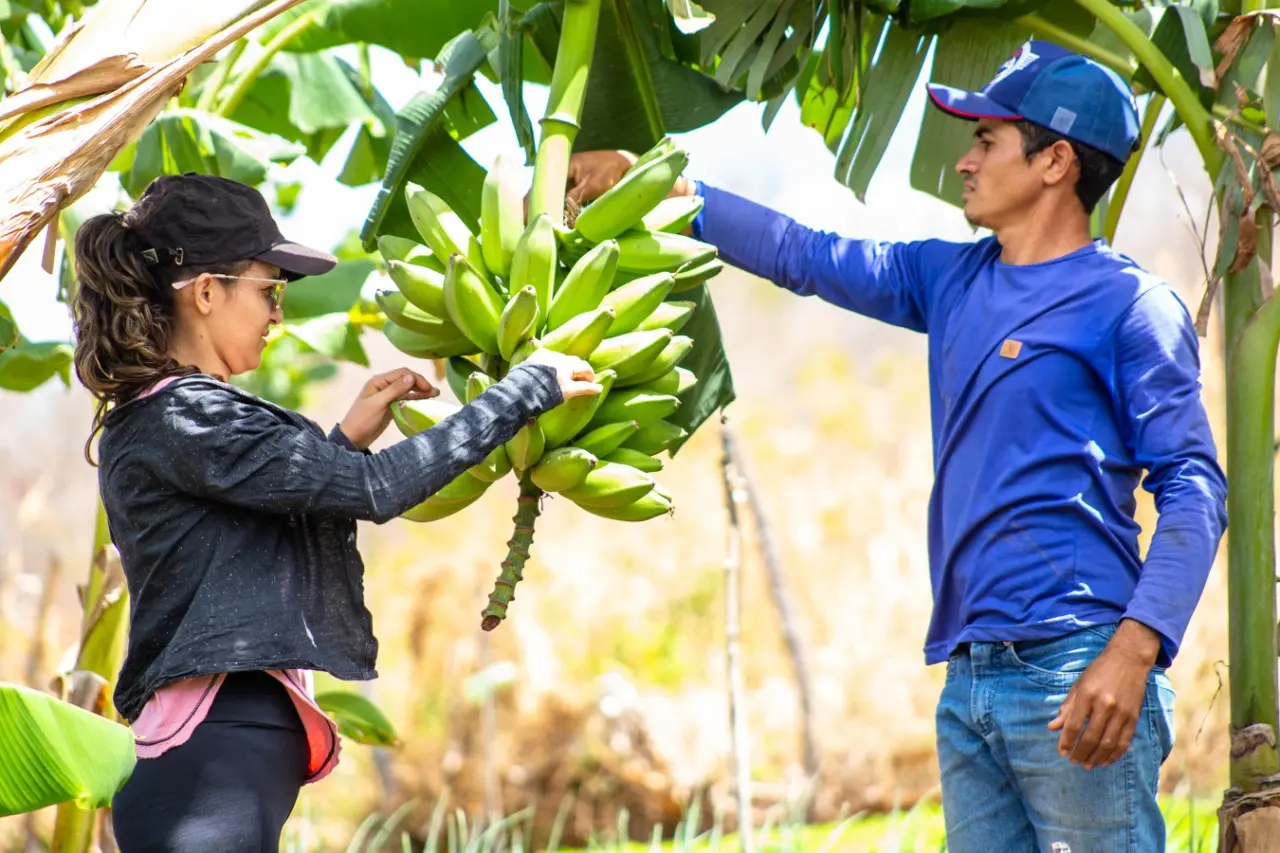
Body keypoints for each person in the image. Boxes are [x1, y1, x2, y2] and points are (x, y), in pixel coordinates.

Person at [567, 40, 1227, 852]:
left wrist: (1135, 649)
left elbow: (1195, 484)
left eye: (987, 141)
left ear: (1055, 161)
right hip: (970, 673)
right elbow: (803, 255)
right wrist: (664, 186)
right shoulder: (949, 279)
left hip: (1077, 662)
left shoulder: (1129, 305)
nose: (964, 161)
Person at [69, 172, 601, 853]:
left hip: (209, 764)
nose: (277, 315)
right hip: (209, 765)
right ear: (206, 291)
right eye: (269, 290)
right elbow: (375, 490)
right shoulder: (186, 415)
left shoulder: (174, 416)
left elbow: (238, 533)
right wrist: (523, 392)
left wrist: (342, 441)